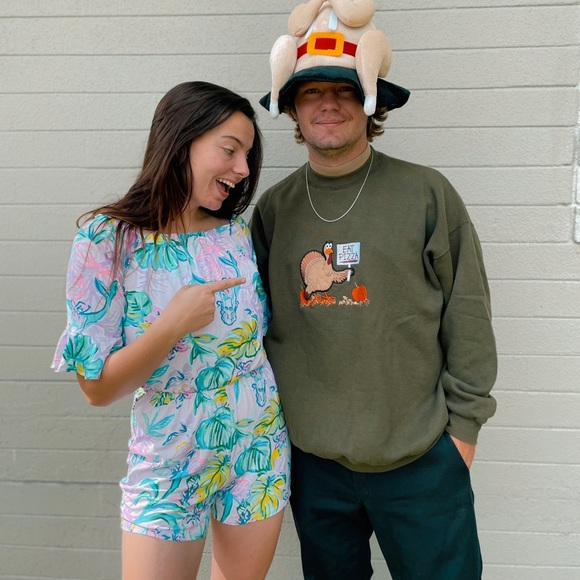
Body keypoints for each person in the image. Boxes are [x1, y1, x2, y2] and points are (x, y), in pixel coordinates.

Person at [250, 1, 497, 578]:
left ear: (371, 100)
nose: (328, 103)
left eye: (343, 89)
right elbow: (254, 329)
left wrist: (461, 435)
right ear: (292, 106)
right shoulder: (274, 211)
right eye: (311, 91)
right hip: (314, 465)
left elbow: (468, 315)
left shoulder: (426, 195)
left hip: (421, 459)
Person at [52, 81, 291, 580]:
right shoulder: (106, 240)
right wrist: (172, 324)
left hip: (258, 444)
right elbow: (97, 389)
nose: (243, 170)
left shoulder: (236, 234)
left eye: (247, 156)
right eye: (230, 150)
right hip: (168, 456)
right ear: (181, 140)